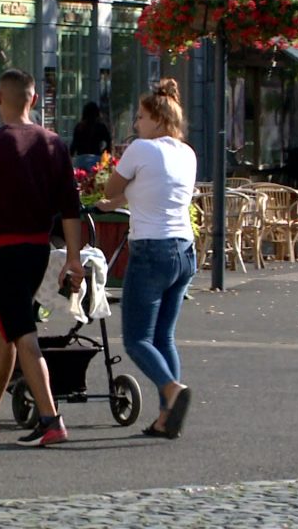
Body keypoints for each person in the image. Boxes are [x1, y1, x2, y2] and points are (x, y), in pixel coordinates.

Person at [0, 69, 84, 447]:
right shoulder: (53, 143)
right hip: (37, 251)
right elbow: (70, 206)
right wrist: (73, 258)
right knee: (7, 331)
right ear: (33, 99)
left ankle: (51, 419)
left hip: (2, 251)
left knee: (22, 334)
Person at [96, 78, 196, 440]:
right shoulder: (186, 153)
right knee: (164, 336)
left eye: (139, 117)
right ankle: (167, 417)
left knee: (137, 338)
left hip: (151, 250)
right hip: (184, 249)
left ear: (156, 118)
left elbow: (111, 186)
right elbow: (156, 192)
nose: (136, 124)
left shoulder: (142, 148)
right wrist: (121, 202)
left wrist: (111, 199)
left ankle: (171, 390)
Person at [69, 101, 112, 171]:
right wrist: (104, 153)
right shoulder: (100, 127)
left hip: (81, 159)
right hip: (95, 158)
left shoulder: (79, 127)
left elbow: (74, 145)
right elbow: (108, 142)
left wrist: (70, 158)